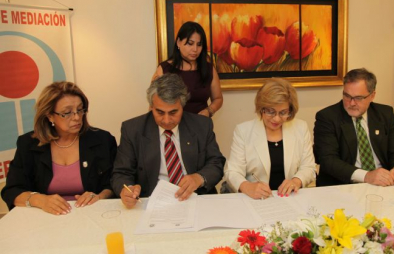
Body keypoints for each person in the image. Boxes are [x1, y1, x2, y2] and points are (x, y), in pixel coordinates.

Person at [1, 82, 117, 215]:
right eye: (67, 113)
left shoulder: (102, 140)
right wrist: (40, 200)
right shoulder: (28, 144)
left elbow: (114, 183)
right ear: (50, 115)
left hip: (91, 214)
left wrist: (100, 197)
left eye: (80, 110)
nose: (77, 117)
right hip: (43, 218)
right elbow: (12, 190)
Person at [112, 73, 226, 208]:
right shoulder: (132, 129)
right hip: (151, 202)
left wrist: (199, 178)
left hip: (195, 199)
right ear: (151, 107)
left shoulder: (201, 125)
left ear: (182, 106)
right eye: (159, 112)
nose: (166, 120)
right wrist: (128, 189)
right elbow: (121, 173)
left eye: (173, 112)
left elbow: (216, 163)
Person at [314, 68, 394, 186]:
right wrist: (366, 176)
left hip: (383, 183)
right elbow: (328, 161)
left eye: (358, 98)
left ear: (372, 95)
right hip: (343, 185)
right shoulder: (327, 117)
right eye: (347, 96)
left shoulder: (385, 114)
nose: (351, 103)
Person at [225, 78, 316, 199]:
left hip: (290, 198)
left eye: (283, 112)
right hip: (256, 199)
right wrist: (247, 186)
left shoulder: (300, 128)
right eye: (270, 111)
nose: (277, 119)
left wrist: (296, 180)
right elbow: (233, 171)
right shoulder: (243, 131)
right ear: (261, 108)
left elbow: (308, 167)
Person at [151, 21, 223, 117]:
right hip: (172, 126)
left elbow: (218, 98)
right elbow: (153, 103)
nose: (195, 49)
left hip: (200, 125)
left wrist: (209, 111)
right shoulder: (164, 69)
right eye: (190, 43)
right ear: (178, 42)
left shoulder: (208, 68)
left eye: (199, 44)